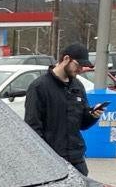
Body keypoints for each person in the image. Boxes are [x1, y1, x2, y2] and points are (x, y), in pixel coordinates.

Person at [23, 42, 105, 175]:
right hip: (52, 160)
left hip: (77, 159)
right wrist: (43, 157)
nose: (80, 70)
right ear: (66, 59)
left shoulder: (78, 86)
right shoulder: (39, 87)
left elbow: (82, 124)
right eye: (78, 65)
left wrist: (92, 115)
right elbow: (33, 127)